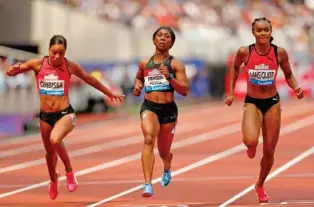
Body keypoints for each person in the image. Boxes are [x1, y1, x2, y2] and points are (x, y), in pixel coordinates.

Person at [6, 35, 124, 200]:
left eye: (61, 53)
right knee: (49, 152)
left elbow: (89, 79)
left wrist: (109, 93)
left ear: (65, 52)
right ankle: (53, 180)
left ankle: (69, 171)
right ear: (49, 51)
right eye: (54, 53)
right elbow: (18, 68)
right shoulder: (38, 64)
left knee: (55, 140)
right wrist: (13, 70)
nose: (57, 57)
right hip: (45, 115)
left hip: (65, 113)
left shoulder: (69, 65)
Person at [225, 17, 304, 203]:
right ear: (253, 32)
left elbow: (289, 74)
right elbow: (235, 69)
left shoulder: (279, 52)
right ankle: (251, 146)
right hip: (252, 101)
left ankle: (259, 185)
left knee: (269, 151)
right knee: (250, 140)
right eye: (258, 30)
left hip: (272, 102)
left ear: (270, 32)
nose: (262, 33)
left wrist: (296, 88)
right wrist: (230, 92)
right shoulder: (245, 52)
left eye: (265, 30)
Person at [133, 26, 189, 197]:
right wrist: (137, 85)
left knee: (164, 150)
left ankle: (166, 166)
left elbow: (184, 90)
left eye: (167, 36)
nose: (163, 38)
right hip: (149, 107)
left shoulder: (176, 64)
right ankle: (147, 184)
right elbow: (139, 77)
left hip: (168, 110)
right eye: (160, 35)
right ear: (154, 39)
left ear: (171, 42)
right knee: (149, 138)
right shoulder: (145, 63)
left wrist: (169, 78)